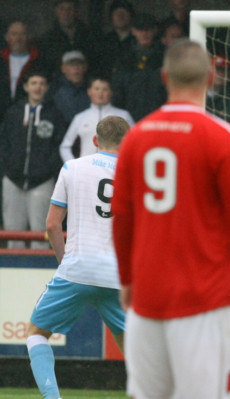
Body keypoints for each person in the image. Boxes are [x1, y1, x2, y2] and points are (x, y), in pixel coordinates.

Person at [111, 39, 230, 399]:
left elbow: (122, 218)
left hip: (147, 295)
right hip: (202, 296)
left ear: (163, 76)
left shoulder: (136, 137)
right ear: (211, 76)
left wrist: (126, 280)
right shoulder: (223, 136)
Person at [25, 115, 130, 399]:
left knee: (36, 333)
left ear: (95, 141)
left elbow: (51, 224)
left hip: (77, 269)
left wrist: (64, 261)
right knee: (136, 356)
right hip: (118, 276)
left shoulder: (72, 167)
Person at [0, 70, 66, 249]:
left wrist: (45, 170)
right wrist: (9, 167)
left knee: (41, 235)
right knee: (13, 235)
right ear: (25, 87)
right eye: (34, 83)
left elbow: (59, 147)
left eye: (42, 83)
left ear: (47, 88)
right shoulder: (13, 113)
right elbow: (3, 142)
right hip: (13, 180)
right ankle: (12, 277)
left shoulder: (55, 115)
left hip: (42, 182)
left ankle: (39, 277)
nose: (38, 87)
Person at [59, 76, 134, 162]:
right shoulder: (80, 117)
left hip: (113, 170)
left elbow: (135, 143)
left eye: (105, 89)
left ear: (111, 92)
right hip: (86, 170)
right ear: (89, 91)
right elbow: (65, 146)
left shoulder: (123, 115)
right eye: (97, 89)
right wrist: (73, 166)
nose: (100, 93)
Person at [111, 13, 167, 122]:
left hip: (159, 117)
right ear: (133, 31)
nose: (144, 33)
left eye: (148, 29)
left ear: (155, 30)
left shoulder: (166, 56)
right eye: (140, 29)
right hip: (130, 117)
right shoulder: (124, 58)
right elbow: (118, 92)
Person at [51, 50, 90, 125]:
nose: (76, 68)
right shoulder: (54, 89)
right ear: (63, 68)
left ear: (85, 68)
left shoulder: (93, 89)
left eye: (79, 64)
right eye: (72, 65)